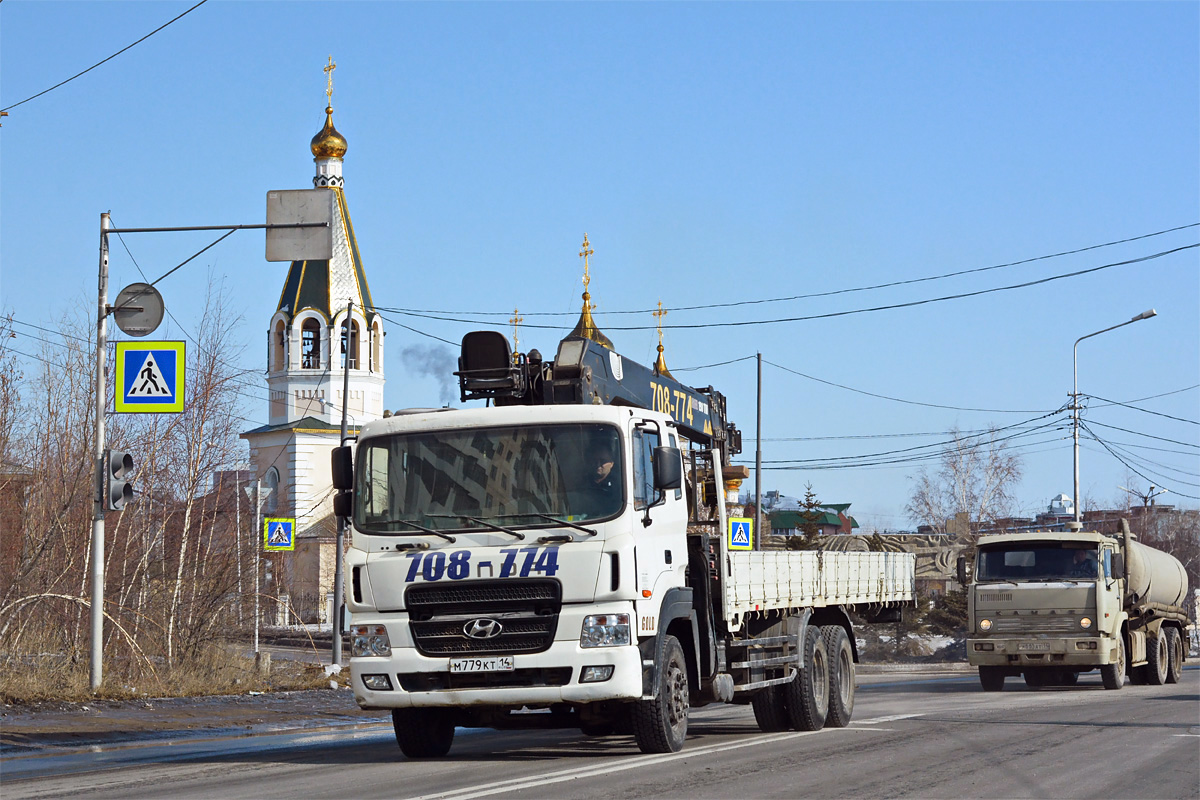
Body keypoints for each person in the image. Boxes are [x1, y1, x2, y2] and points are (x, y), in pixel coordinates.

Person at [575, 442, 622, 518]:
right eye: (594, 460)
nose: (598, 464)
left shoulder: (620, 487)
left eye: (603, 461)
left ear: (612, 463)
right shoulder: (581, 483)